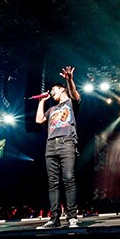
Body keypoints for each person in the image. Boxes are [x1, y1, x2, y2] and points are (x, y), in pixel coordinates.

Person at [36, 66, 81, 229]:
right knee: (53, 183)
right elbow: (39, 120)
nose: (51, 92)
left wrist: (69, 80)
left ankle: (72, 217)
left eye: (53, 89)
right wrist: (42, 101)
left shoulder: (71, 102)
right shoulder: (51, 109)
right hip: (51, 145)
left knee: (68, 179)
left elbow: (74, 93)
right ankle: (54, 219)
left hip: (67, 143)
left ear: (62, 89)